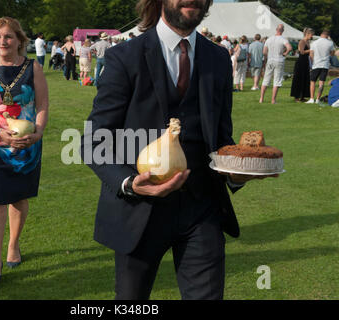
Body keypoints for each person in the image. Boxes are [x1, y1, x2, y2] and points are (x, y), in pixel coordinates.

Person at [81, 0, 277, 300]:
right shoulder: (124, 57)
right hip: (139, 212)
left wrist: (238, 173)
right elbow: (94, 140)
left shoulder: (218, 58)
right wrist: (130, 184)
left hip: (203, 209)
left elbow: (221, 137)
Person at [0, 16, 49, 284]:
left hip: (27, 146)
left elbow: (42, 105)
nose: (3, 41)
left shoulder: (33, 67)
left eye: (8, 36)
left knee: (18, 197)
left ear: (19, 40)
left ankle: (14, 244)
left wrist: (37, 133)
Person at [259, 24, 292, 104]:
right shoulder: (283, 39)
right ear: (282, 30)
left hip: (270, 60)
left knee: (266, 80)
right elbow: (290, 48)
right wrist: (285, 53)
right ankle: (273, 100)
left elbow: (264, 52)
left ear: (276, 29)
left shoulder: (269, 39)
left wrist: (267, 57)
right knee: (277, 80)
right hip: (279, 60)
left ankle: (261, 99)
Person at [305, 30, 335, 104]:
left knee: (312, 82)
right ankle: (318, 99)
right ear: (327, 36)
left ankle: (312, 98)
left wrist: (312, 64)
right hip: (325, 65)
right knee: (321, 82)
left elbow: (311, 55)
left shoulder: (314, 43)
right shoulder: (330, 43)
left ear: (321, 34)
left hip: (316, 64)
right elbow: (332, 54)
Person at [290, 28, 314, 102]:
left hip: (306, 61)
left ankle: (303, 96)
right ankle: (296, 97)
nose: (312, 36)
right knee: (299, 79)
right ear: (307, 34)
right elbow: (301, 51)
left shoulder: (308, 42)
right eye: (311, 35)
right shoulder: (302, 41)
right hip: (301, 62)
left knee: (305, 79)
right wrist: (311, 50)